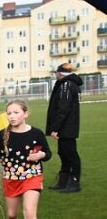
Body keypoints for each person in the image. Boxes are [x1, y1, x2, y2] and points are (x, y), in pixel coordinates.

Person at [46, 62, 83, 193]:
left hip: (67, 128)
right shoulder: (68, 84)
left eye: (56, 72)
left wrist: (55, 128)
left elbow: (63, 109)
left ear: (60, 73)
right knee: (63, 153)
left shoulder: (66, 85)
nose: (55, 74)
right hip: (67, 126)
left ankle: (74, 182)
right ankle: (63, 181)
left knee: (70, 154)